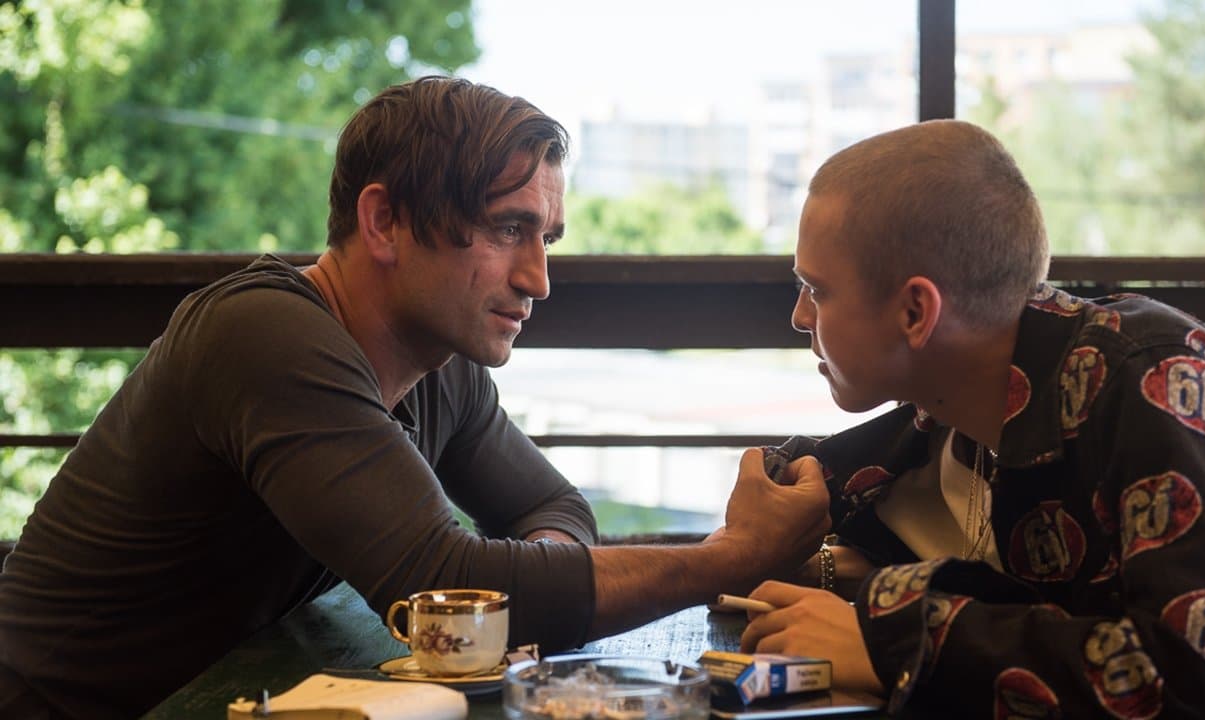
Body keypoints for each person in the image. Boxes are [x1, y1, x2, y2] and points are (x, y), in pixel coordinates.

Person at [0, 76, 830, 719]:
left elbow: (550, 506)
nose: (538, 279)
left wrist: (531, 591)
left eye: (546, 238)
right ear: (384, 221)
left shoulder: (443, 363)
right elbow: (440, 579)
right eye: (508, 229)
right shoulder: (263, 334)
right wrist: (727, 559)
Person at [737, 119, 1205, 718]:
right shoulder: (960, 406)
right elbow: (816, 489)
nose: (799, 316)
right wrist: (803, 550)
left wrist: (894, 643)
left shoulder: (1155, 382)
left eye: (817, 290)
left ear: (916, 312)